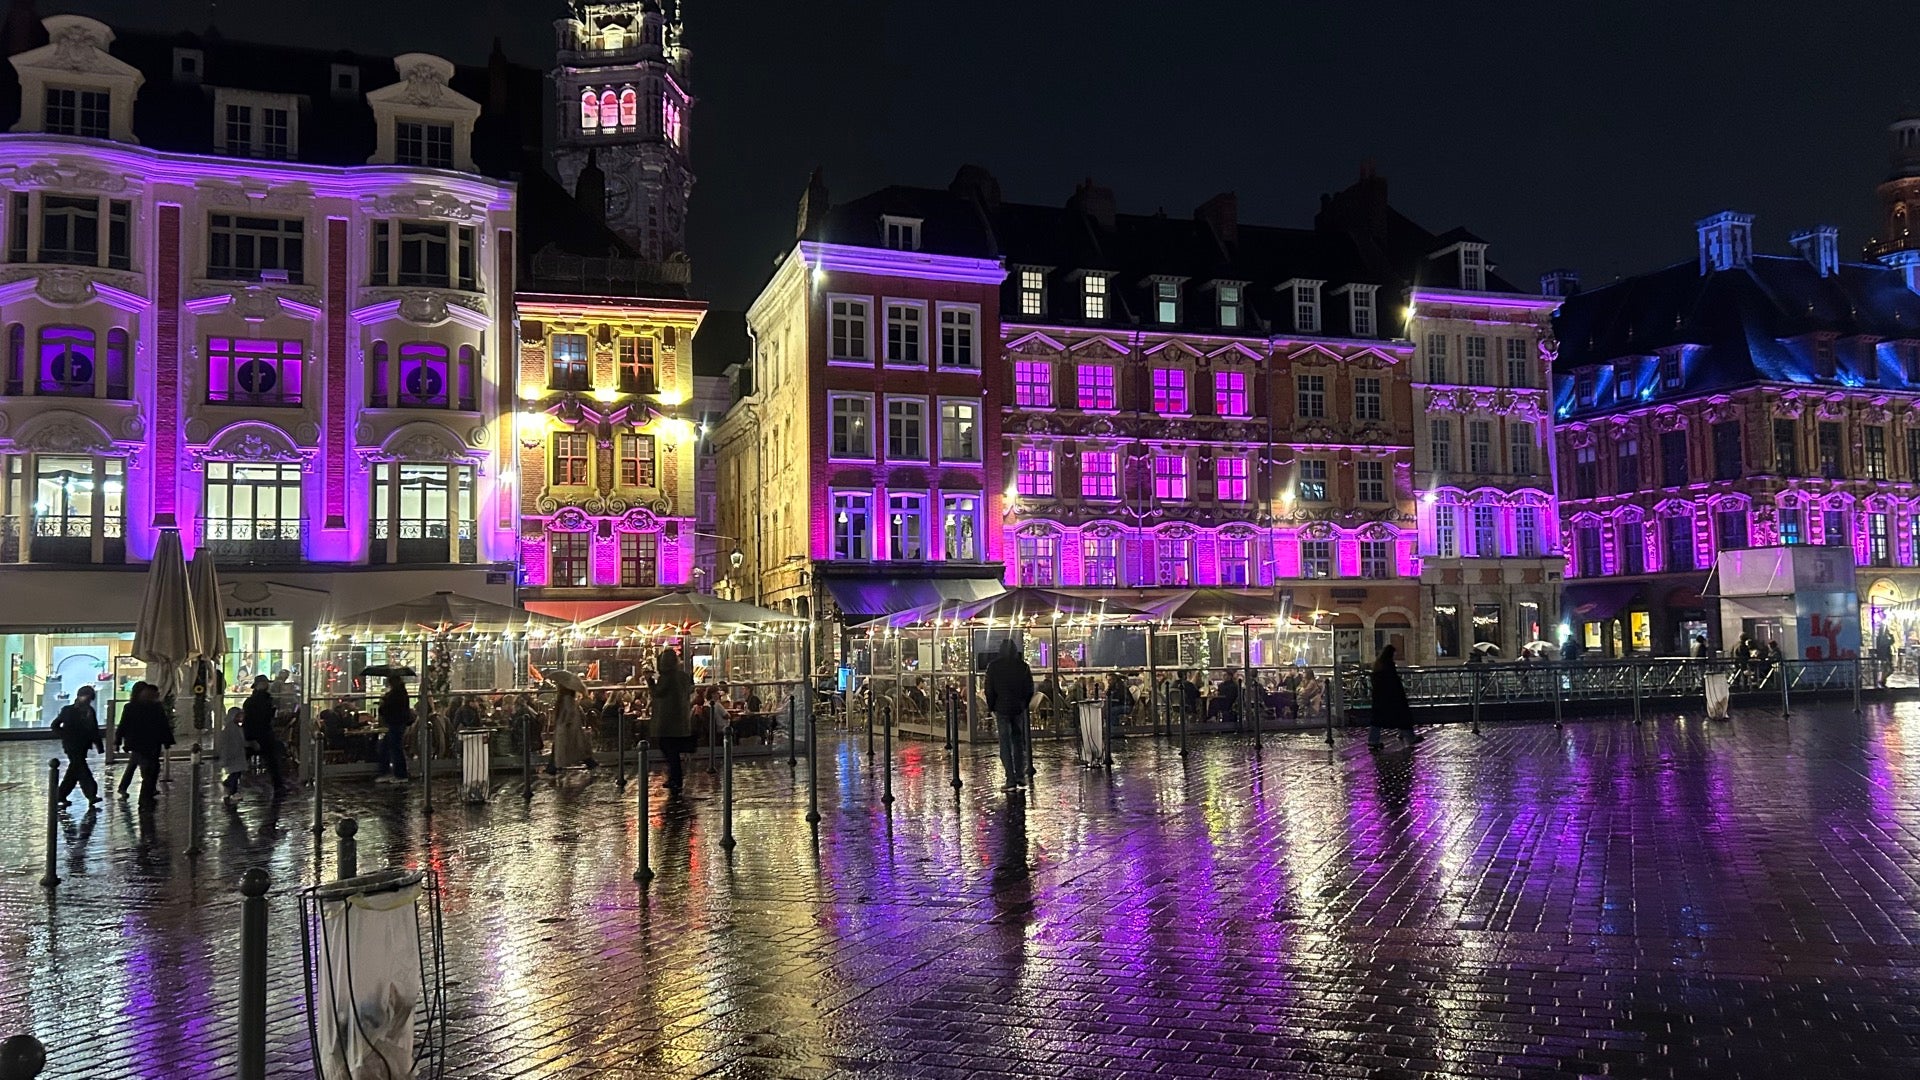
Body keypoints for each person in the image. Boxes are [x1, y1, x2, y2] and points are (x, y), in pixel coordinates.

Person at [984, 639, 1034, 792]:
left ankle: (1010, 778)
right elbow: (1029, 688)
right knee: (1019, 743)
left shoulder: (993, 667)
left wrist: (992, 706)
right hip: (1017, 708)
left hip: (1002, 708)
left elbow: (989, 689)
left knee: (1005, 743)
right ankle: (1020, 775)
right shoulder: (1022, 666)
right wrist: (1023, 704)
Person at [648, 648, 695, 793]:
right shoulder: (683, 676)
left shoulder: (667, 678)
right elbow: (691, 689)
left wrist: (649, 680)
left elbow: (657, 692)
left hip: (668, 721)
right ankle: (676, 777)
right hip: (681, 719)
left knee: (668, 749)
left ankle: (676, 778)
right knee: (672, 749)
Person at [117, 681, 172, 805]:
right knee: (149, 768)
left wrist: (119, 740)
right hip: (147, 743)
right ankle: (145, 795)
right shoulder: (154, 707)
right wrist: (167, 740)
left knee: (140, 766)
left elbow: (123, 726)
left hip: (140, 743)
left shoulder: (132, 707)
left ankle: (137, 791)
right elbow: (163, 725)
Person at [52, 684, 103, 807]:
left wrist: (99, 745)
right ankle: (91, 794)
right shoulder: (68, 710)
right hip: (71, 745)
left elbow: (94, 730)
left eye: (90, 698)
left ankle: (60, 795)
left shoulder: (90, 712)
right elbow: (55, 725)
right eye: (86, 697)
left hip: (83, 745)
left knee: (74, 771)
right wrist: (65, 735)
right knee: (82, 769)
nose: (87, 700)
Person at [1367, 644, 1419, 749]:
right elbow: (1393, 683)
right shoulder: (1388, 666)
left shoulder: (1378, 667)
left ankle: (1373, 740)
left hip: (1380, 698)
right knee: (1403, 717)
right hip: (1392, 698)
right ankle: (1410, 737)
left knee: (1377, 720)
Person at [241, 675, 288, 793]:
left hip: (256, 734)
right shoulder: (263, 700)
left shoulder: (252, 701)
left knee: (249, 757)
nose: (267, 685)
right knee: (271, 760)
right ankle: (278, 785)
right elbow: (262, 718)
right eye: (265, 683)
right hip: (263, 734)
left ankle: (233, 779)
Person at [547, 673, 596, 774]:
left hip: (566, 726)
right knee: (576, 747)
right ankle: (553, 767)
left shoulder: (565, 699)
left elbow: (568, 712)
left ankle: (554, 767)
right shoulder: (568, 698)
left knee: (566, 748)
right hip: (568, 725)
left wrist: (564, 722)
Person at [374, 675, 414, 783]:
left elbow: (385, 709)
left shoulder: (394, 695)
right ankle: (396, 773)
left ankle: (398, 774)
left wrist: (384, 700)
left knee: (393, 748)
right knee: (392, 747)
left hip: (394, 723)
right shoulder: (402, 693)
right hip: (399, 723)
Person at [216, 706, 249, 809]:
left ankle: (231, 790)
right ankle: (232, 793)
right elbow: (228, 745)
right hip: (234, 756)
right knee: (235, 775)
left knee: (236, 774)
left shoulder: (234, 728)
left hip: (236, 756)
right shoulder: (231, 729)